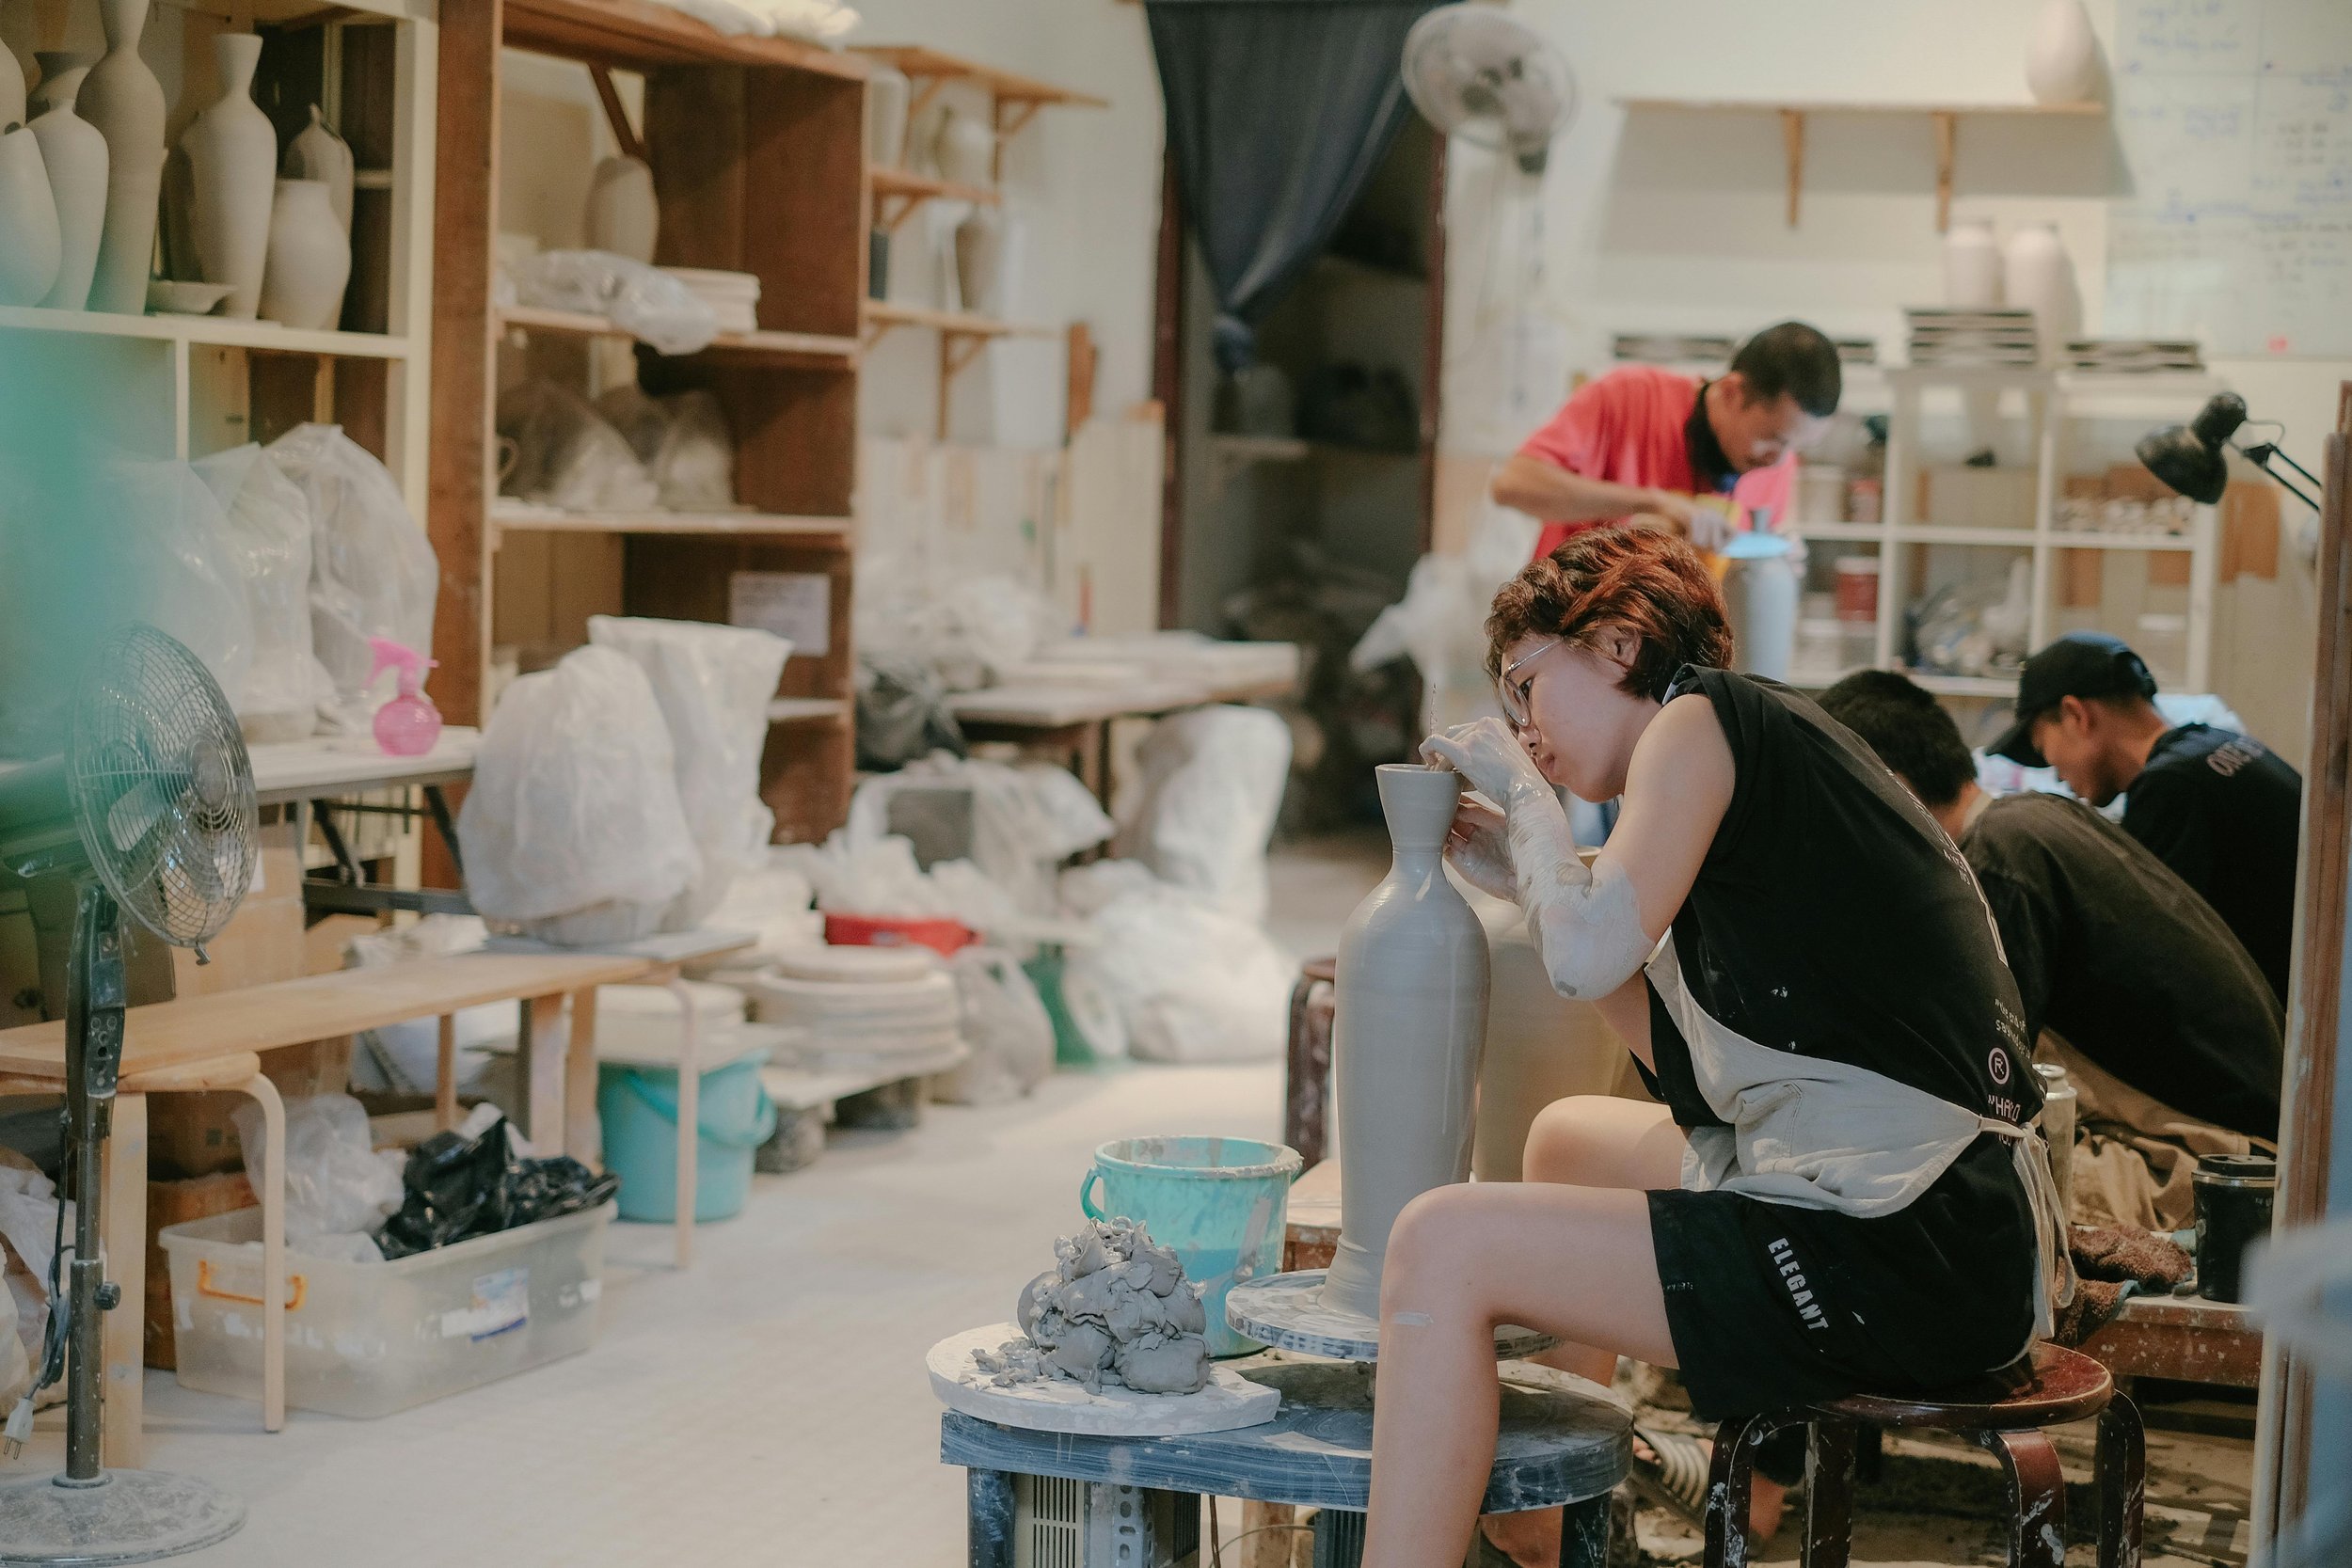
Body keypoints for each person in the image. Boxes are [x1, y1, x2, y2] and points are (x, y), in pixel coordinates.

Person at [1363, 530, 2063, 1568]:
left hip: (1910, 1241)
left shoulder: (1696, 721)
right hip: (1950, 1224)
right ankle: (1545, 1536)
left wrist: (1522, 800)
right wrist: (1532, 881)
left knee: (1438, 1243)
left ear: (1615, 641)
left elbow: (1586, 948)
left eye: (1525, 685)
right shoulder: (1738, 770)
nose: (1525, 726)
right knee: (1568, 1138)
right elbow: (1692, 1078)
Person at [1820, 670, 2282, 1229]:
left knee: (1930, 1190)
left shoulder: (1998, 865)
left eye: (1841, 798)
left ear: (1891, 783)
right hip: (2242, 1144)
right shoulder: (2032, 822)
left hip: (2213, 1165)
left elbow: (1982, 1088)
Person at [1986, 633, 2303, 1005]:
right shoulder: (2218, 746)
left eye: (2044, 752)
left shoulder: (2171, 788)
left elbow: (2144, 956)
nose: (2056, 775)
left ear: (2076, 715)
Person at [1490, 322, 1841, 557]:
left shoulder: (1776, 465)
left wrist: (1774, 561)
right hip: (1569, 643)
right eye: (1772, 439)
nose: (1779, 461)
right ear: (1732, 392)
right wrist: (1652, 503)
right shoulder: (1626, 396)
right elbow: (1512, 485)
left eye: (1794, 447)